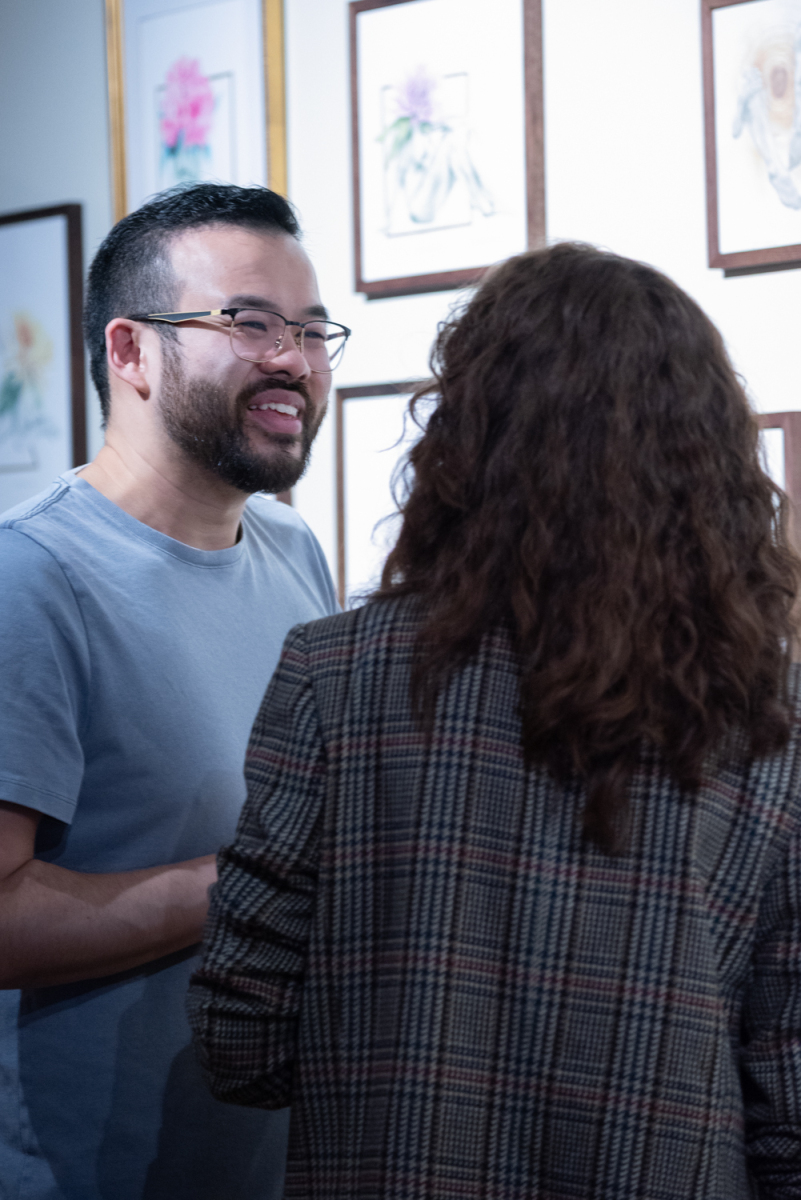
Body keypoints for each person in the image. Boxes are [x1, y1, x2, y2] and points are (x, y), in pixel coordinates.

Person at [188, 242, 801, 1199]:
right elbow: (786, 1103)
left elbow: (242, 1040)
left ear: (464, 436)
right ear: (709, 454)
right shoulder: (769, 719)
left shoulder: (331, 674)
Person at [0, 182, 344, 1200]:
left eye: (312, 331)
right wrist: (263, 874)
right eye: (250, 323)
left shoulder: (291, 549)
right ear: (130, 352)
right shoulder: (32, 578)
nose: (293, 360)